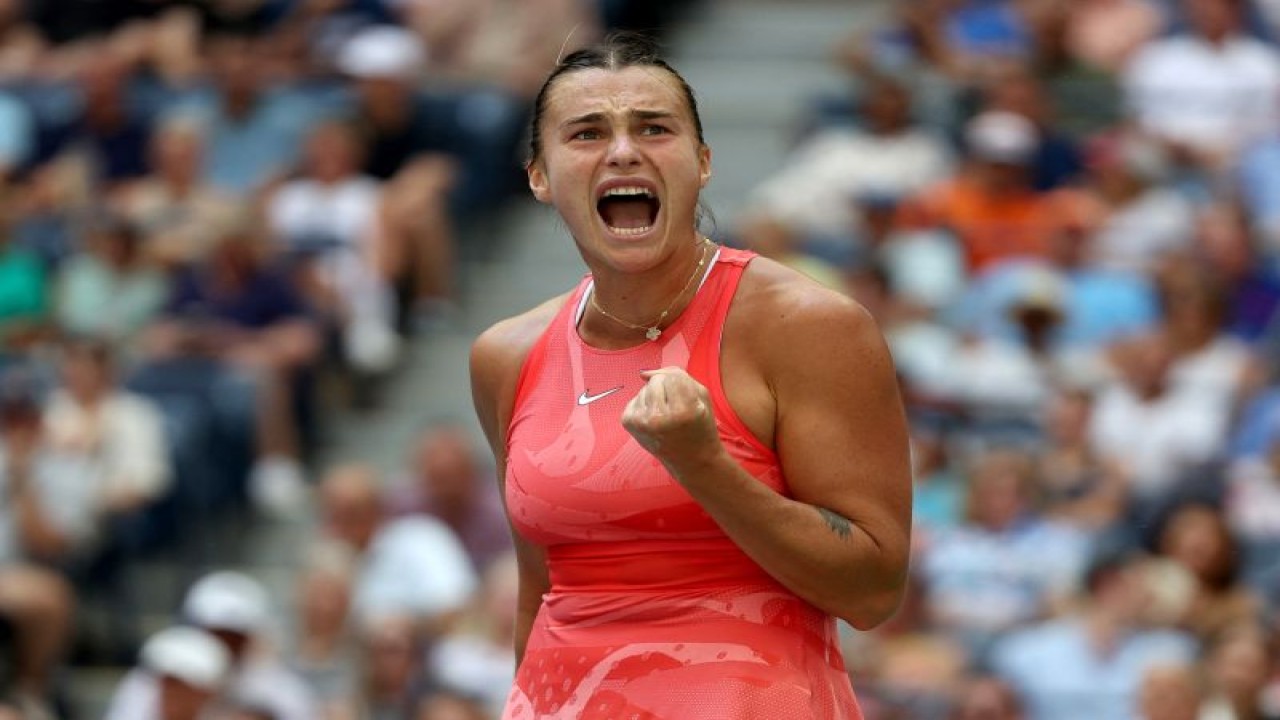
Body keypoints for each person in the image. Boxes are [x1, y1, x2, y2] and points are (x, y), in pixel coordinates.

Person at [469, 35, 912, 719]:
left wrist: (703, 463)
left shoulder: (808, 325)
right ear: (539, 176)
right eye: (587, 133)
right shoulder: (506, 354)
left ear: (702, 163)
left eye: (654, 128)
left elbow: (872, 592)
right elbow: (543, 592)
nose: (623, 151)